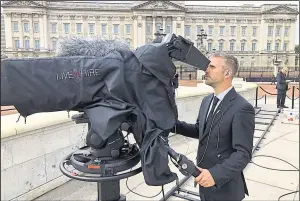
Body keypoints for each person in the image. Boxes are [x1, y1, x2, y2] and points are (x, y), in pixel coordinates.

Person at [172, 53, 255, 201]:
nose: (206, 70)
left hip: (224, 188)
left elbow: (243, 153)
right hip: (204, 181)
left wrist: (215, 175)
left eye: (212, 66)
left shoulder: (242, 108)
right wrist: (172, 125)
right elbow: (200, 130)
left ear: (227, 73)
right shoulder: (207, 100)